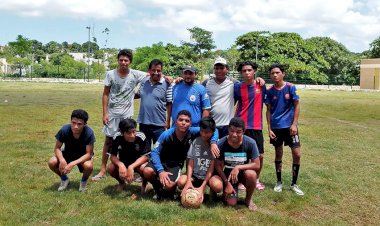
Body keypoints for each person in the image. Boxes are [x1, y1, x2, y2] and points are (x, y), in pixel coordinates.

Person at [92, 49, 147, 181]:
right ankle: (103, 170)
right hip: (112, 114)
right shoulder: (110, 74)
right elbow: (105, 94)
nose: (123, 63)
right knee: (109, 141)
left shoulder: (135, 74)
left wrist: (168, 78)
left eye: (126, 60)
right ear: (118, 61)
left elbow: (152, 74)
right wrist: (105, 113)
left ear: (130, 62)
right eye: (121, 60)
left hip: (127, 115)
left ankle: (135, 169)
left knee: (130, 141)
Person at [143, 110, 219, 200]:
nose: (183, 123)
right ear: (176, 121)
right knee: (147, 171)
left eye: (187, 121)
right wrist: (160, 171)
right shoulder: (166, 134)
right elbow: (155, 152)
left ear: (190, 123)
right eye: (181, 120)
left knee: (169, 185)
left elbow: (214, 129)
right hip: (161, 162)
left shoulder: (193, 132)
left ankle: (170, 190)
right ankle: (157, 189)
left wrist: (213, 142)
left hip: (175, 165)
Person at [265, 63, 304, 196]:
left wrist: (294, 124)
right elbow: (268, 111)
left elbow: (297, 106)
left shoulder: (291, 87)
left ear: (283, 73)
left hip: (290, 128)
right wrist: (269, 128)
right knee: (278, 153)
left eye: (277, 73)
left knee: (297, 154)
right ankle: (279, 181)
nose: (275, 75)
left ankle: (294, 183)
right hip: (276, 128)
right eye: (272, 73)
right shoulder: (269, 91)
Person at [210, 117, 260, 211]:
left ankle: (248, 199)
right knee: (231, 204)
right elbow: (217, 165)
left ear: (244, 131)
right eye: (232, 131)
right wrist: (226, 182)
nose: (234, 134)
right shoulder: (221, 143)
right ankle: (221, 192)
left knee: (252, 174)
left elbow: (257, 164)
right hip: (228, 176)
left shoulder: (250, 143)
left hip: (243, 174)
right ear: (228, 129)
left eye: (238, 132)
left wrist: (238, 167)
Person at [234, 61, 266, 191]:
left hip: (256, 126)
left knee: (260, 155)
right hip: (241, 126)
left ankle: (256, 179)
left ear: (254, 71)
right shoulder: (237, 87)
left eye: (249, 70)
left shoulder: (261, 85)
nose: (247, 73)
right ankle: (241, 180)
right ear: (241, 73)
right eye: (244, 71)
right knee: (241, 155)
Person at [48, 109, 95, 192]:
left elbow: (89, 154)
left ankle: (83, 182)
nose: (75, 126)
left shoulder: (89, 133)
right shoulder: (64, 130)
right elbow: (57, 148)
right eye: (73, 123)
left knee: (88, 166)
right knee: (52, 162)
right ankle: (64, 179)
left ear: (85, 124)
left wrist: (72, 164)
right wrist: (62, 160)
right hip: (68, 153)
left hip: (83, 155)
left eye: (79, 124)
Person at [177, 116, 218, 201]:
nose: (203, 134)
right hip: (195, 175)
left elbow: (211, 168)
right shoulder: (196, 141)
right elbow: (190, 163)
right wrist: (188, 180)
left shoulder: (215, 145)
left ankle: (211, 191)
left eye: (207, 132)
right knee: (181, 182)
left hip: (208, 176)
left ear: (213, 132)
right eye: (202, 131)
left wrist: (203, 187)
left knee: (218, 186)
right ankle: (191, 187)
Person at [137, 59, 172, 149]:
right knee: (144, 152)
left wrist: (168, 121)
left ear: (161, 71)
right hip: (144, 123)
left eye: (159, 70)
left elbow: (169, 103)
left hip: (159, 125)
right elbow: (138, 94)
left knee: (159, 152)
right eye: (153, 70)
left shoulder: (167, 84)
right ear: (149, 71)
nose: (156, 73)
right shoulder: (144, 82)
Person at [107, 118, 150, 193]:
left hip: (138, 163)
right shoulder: (117, 137)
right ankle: (121, 182)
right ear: (122, 132)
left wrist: (132, 166)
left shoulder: (141, 136)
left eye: (134, 132)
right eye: (128, 133)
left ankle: (144, 183)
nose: (132, 135)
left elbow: (146, 156)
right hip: (124, 162)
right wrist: (120, 165)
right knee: (110, 167)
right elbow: (113, 156)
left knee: (144, 168)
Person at [202, 57, 237, 139]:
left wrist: (258, 79)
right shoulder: (206, 83)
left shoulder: (234, 83)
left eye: (222, 68)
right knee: (211, 149)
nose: (218, 71)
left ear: (227, 69)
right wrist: (180, 79)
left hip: (227, 124)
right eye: (216, 68)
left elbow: (247, 85)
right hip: (211, 124)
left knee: (225, 149)